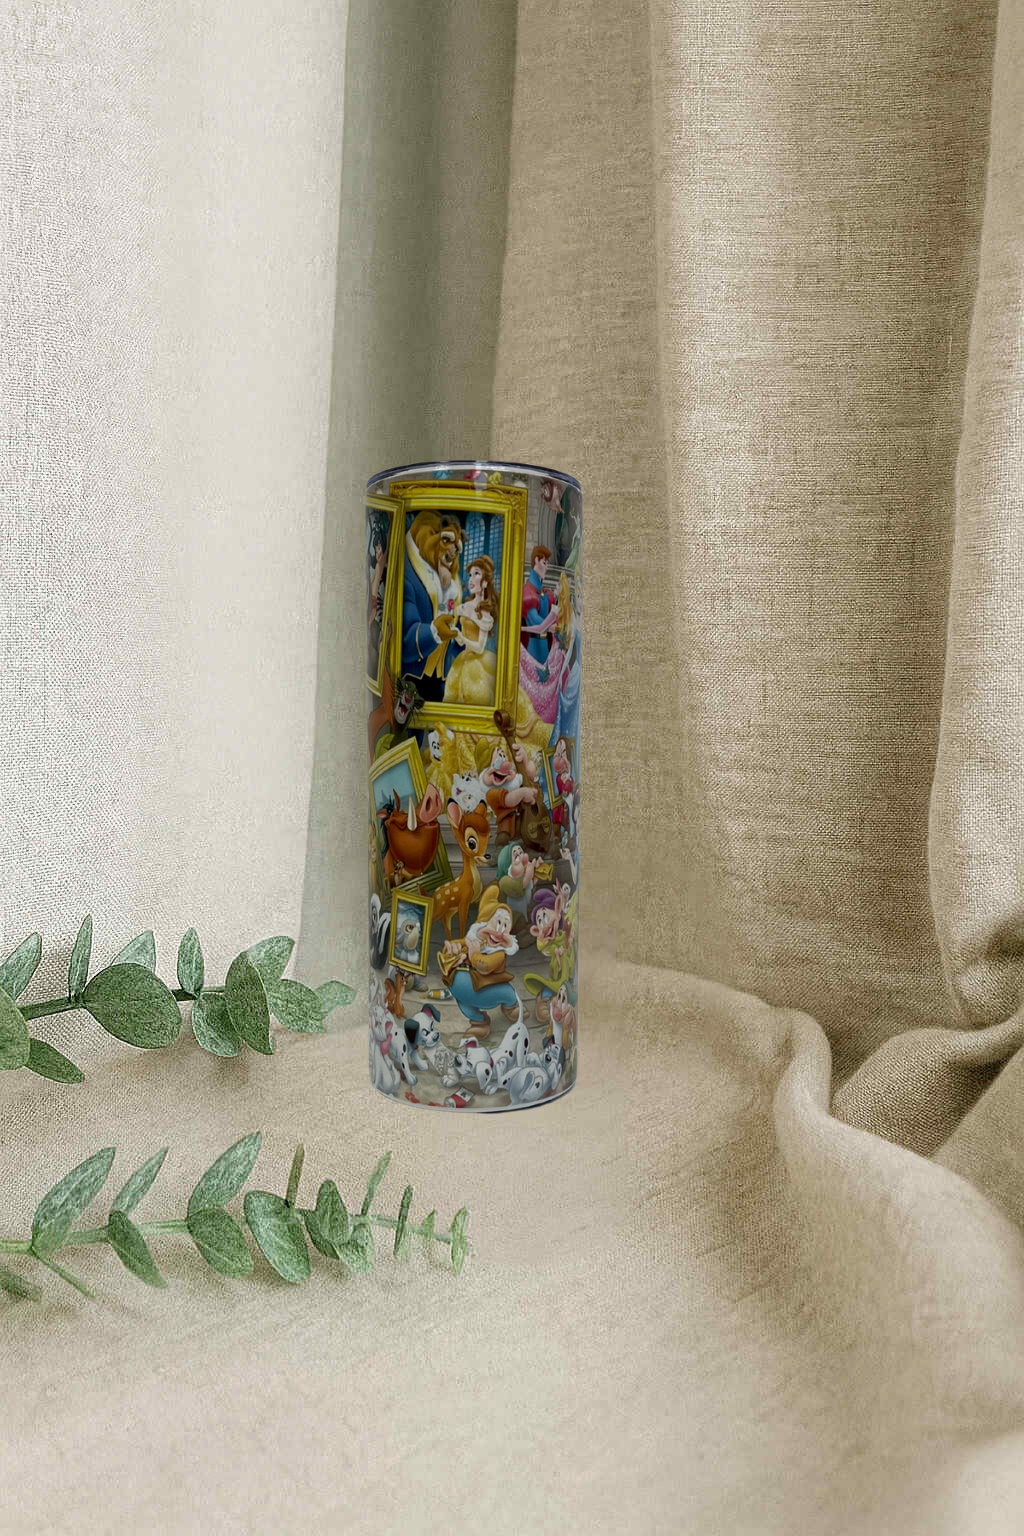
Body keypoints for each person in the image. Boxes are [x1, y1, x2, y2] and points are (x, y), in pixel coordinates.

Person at [443, 556, 499, 705]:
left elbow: (480, 647)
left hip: (477, 661)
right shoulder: (465, 605)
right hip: (463, 658)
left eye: (476, 574)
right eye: (470, 575)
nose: (471, 579)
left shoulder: (485, 611)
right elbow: (460, 640)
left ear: (485, 582)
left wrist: (461, 637)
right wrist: (453, 631)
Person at [521, 545, 556, 665]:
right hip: (533, 652)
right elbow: (536, 621)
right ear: (536, 560)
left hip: (546, 651)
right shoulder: (527, 592)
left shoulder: (547, 594)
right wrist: (552, 626)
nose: (546, 567)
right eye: (544, 563)